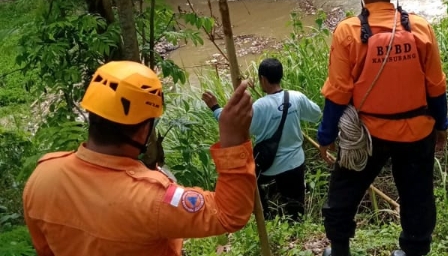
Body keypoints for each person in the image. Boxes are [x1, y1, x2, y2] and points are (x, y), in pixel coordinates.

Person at [22, 61, 257, 256]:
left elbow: (45, 249)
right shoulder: (151, 199)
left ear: (93, 113)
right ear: (143, 130)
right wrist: (233, 143)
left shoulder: (42, 176)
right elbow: (228, 214)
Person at [317, 0, 448, 256]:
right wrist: (442, 126)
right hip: (417, 133)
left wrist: (325, 137)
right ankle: (414, 250)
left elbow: (338, 92)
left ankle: (339, 249)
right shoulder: (420, 28)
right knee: (418, 196)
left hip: (368, 134)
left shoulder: (348, 31)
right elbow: (436, 86)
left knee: (343, 193)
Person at [203, 57, 321, 221]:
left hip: (270, 165)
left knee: (252, 180)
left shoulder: (260, 106)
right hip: (296, 162)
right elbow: (316, 115)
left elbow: (234, 124)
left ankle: (266, 215)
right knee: (296, 207)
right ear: (281, 76)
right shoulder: (297, 97)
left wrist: (215, 107)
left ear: (263, 79)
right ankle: (297, 226)